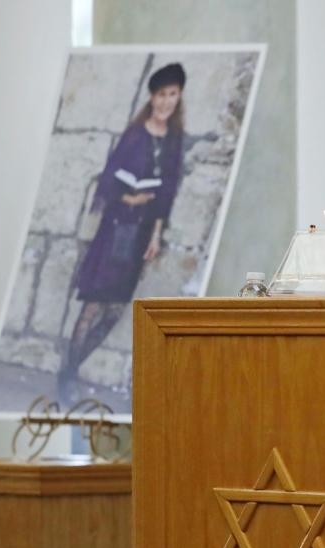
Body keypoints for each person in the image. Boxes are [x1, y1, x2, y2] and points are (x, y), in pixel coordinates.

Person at [58, 62, 186, 401]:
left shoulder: (174, 140)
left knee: (115, 310)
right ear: (152, 97)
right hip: (116, 227)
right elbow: (109, 179)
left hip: (142, 232)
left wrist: (157, 234)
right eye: (161, 95)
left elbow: (168, 193)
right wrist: (130, 196)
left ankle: (70, 366)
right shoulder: (135, 134)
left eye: (173, 94)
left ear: (179, 97)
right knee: (94, 304)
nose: (166, 102)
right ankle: (67, 378)